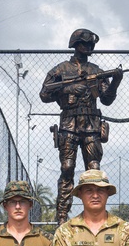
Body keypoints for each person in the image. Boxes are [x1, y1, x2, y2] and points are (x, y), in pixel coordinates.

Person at [39, 28, 124, 223]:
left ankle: (95, 216)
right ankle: (61, 217)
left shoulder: (96, 71)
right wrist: (68, 88)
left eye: (90, 45)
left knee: (94, 171)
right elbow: (44, 94)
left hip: (91, 126)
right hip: (69, 124)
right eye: (84, 44)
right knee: (67, 168)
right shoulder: (60, 69)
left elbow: (107, 99)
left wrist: (115, 82)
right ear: (76, 45)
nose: (88, 48)